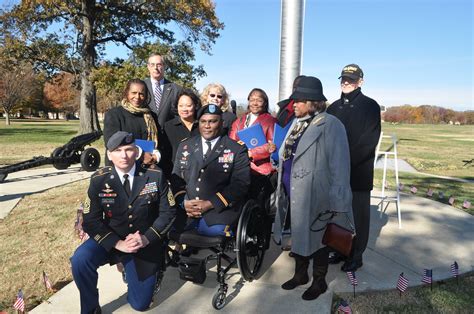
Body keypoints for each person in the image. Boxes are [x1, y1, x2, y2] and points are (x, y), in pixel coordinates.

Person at [70, 131, 176, 313]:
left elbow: (168, 212)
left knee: (140, 304)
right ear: (109, 155)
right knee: (80, 259)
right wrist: (117, 243)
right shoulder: (99, 179)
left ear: (137, 152)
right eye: (118, 150)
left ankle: (139, 272)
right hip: (112, 239)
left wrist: (147, 238)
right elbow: (91, 220)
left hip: (143, 241)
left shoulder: (155, 176)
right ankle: (90, 307)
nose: (124, 155)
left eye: (129, 149)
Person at [273, 76, 353, 301]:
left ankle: (319, 281)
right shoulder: (296, 124)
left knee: (319, 239)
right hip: (292, 192)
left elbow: (340, 165)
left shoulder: (331, 124)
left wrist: (338, 202)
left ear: (312, 101)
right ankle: (300, 275)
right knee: (299, 234)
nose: (294, 105)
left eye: (298, 101)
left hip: (317, 195)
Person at [326, 64, 381, 272]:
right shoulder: (332, 108)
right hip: (334, 173)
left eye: (351, 79)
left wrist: (344, 165)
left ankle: (356, 255)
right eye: (344, 79)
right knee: (337, 215)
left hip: (357, 173)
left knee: (358, 217)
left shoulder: (370, 106)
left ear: (361, 81)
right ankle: (340, 249)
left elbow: (368, 142)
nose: (346, 82)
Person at [170, 104, 250, 237]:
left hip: (218, 210)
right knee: (165, 228)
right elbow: (176, 178)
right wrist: (184, 203)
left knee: (210, 231)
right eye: (203, 121)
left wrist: (210, 203)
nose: (207, 126)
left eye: (212, 121)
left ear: (222, 123)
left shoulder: (236, 149)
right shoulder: (185, 146)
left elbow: (240, 184)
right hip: (188, 208)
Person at [103, 79, 172, 176]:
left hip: (147, 169)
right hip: (122, 170)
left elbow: (160, 141)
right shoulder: (114, 114)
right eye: (134, 93)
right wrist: (141, 154)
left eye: (141, 94)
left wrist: (156, 155)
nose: (137, 97)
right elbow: (111, 142)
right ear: (127, 93)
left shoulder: (151, 116)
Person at [229, 88, 277, 205]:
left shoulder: (270, 121)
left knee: (258, 207)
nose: (255, 103)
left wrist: (251, 153)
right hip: (240, 169)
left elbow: (273, 146)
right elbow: (231, 143)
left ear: (265, 103)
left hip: (259, 171)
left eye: (259, 100)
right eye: (252, 100)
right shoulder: (239, 121)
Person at [144, 53, 183, 127]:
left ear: (164, 66)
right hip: (146, 135)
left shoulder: (176, 89)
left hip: (169, 135)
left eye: (159, 64)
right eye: (152, 65)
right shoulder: (141, 87)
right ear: (148, 67)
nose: (155, 67)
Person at [164, 89, 201, 161]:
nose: (184, 109)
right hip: (175, 170)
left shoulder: (202, 125)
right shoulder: (168, 126)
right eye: (181, 106)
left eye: (188, 106)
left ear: (195, 106)